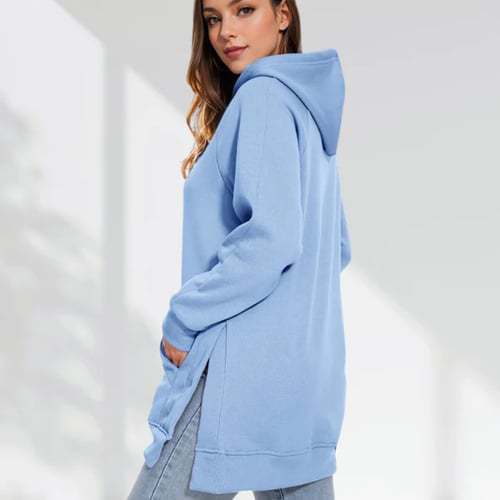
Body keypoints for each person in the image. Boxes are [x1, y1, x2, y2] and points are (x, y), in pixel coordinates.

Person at [127, 0, 351, 498]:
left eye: (244, 9)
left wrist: (184, 319)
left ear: (284, 14)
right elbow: (336, 247)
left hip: (236, 373)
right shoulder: (309, 108)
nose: (226, 31)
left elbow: (272, 239)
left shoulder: (264, 97)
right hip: (303, 381)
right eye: (213, 18)